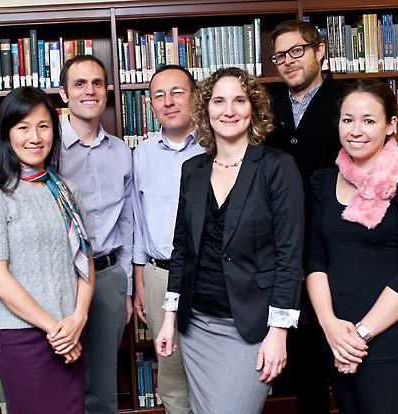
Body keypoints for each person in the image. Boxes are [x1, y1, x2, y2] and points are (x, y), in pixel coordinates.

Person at [155, 67, 304, 414]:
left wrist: (279, 332)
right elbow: (182, 250)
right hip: (196, 325)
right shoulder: (192, 170)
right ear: (206, 110)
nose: (229, 110)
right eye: (219, 101)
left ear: (253, 108)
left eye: (240, 100)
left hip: (250, 328)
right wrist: (169, 317)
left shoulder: (277, 168)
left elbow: (290, 256)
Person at [306, 78, 398, 414]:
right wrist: (332, 328)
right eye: (347, 120)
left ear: (391, 124)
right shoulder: (322, 182)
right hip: (336, 337)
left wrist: (358, 337)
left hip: (390, 342)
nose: (356, 131)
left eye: (369, 120)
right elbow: (315, 260)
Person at [0, 87, 94, 413]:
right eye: (23, 127)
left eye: (43, 126)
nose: (34, 136)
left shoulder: (66, 190)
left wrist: (78, 320)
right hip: (26, 338)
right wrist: (55, 330)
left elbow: (84, 263)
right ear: (7, 133)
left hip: (72, 334)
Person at [267, 20, 349, 413]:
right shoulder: (269, 106)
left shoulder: (347, 100)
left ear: (320, 51)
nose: (288, 61)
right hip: (288, 247)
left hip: (340, 243)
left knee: (345, 345)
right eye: (280, 56)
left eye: (296, 51)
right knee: (304, 356)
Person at [58, 55, 133, 414]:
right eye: (80, 84)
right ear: (63, 93)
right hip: (58, 280)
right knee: (58, 380)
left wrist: (128, 284)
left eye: (97, 83)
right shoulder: (44, 146)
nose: (90, 91)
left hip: (107, 277)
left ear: (106, 91)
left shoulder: (121, 152)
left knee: (102, 388)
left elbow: (128, 222)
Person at [132, 64, 204, 414]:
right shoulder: (141, 155)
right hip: (160, 275)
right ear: (150, 104)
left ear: (195, 96)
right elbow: (136, 222)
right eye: (159, 95)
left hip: (210, 273)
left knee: (211, 367)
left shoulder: (217, 148)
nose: (169, 101)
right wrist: (139, 278)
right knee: (172, 376)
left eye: (177, 92)